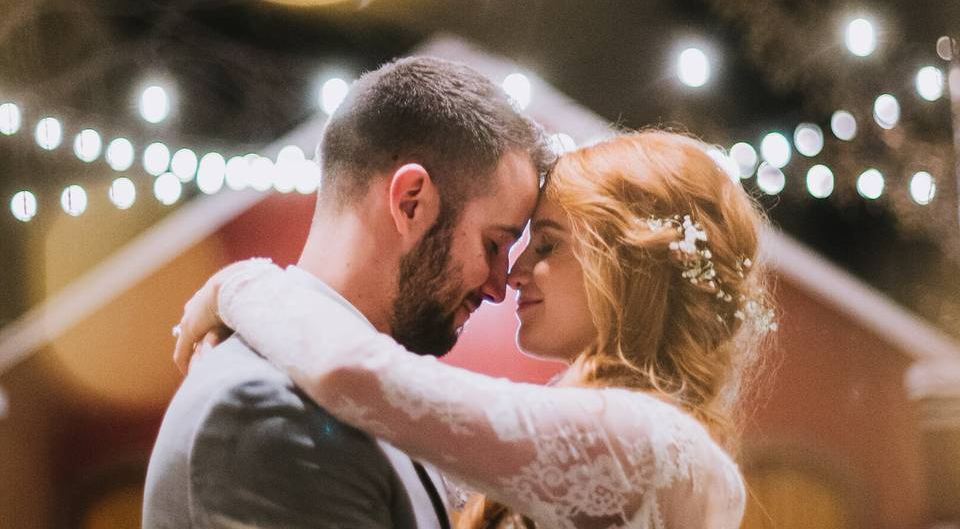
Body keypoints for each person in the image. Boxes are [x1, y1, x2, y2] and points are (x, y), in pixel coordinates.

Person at [174, 129, 778, 529]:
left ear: (629, 264)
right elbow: (399, 439)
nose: (513, 273)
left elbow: (357, 377)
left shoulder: (641, 440)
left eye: (546, 243)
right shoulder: (608, 436)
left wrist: (244, 285)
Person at [142, 56, 554, 528]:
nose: (499, 286)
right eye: (494, 244)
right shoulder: (272, 409)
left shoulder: (373, 391)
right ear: (410, 201)